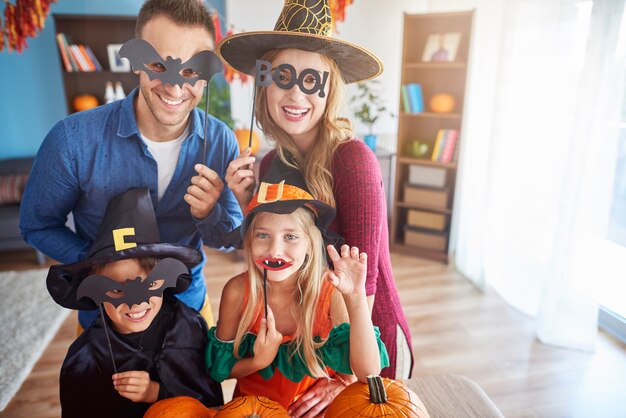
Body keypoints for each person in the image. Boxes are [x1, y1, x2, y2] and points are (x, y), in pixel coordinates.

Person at [220, 0, 413, 382]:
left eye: (311, 81)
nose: (295, 95)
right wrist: (247, 203)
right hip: (307, 346)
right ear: (263, 84)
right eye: (282, 77)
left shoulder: (353, 161)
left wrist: (344, 380)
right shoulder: (268, 162)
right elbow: (277, 251)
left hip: (365, 345)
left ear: (329, 91)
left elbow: (364, 283)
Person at [20, 0, 242, 331]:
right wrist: (101, 265)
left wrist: (208, 213)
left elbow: (230, 236)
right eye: (157, 63)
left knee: (190, 386)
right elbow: (38, 225)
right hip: (106, 319)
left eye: (191, 70)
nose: (175, 86)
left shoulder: (221, 141)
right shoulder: (71, 140)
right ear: (137, 62)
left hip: (187, 310)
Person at [206, 158, 388, 417]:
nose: (275, 250)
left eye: (290, 236)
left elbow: (368, 373)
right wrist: (259, 361)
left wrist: (356, 297)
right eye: (262, 235)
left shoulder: (330, 291)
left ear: (311, 245)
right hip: (252, 412)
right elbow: (220, 369)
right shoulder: (237, 291)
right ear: (249, 239)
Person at [47, 188, 224, 418]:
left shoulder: (189, 328)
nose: (135, 304)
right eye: (117, 289)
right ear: (95, 289)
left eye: (148, 285)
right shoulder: (85, 358)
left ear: (163, 278)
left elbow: (210, 407)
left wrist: (157, 392)